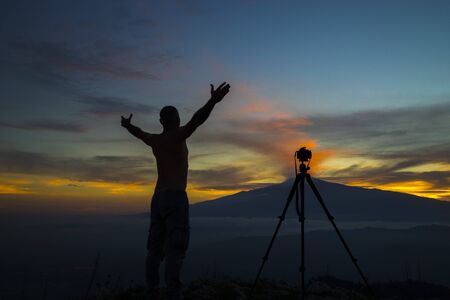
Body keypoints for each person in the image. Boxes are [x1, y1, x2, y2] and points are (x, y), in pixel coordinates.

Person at [121, 82, 231, 300]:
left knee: (154, 248)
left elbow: (140, 133)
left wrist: (127, 126)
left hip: (158, 197)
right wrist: (213, 101)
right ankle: (173, 293)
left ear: (161, 122)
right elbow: (198, 120)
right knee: (176, 248)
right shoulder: (178, 136)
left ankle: (152, 290)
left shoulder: (155, 140)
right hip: (175, 197)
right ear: (177, 120)